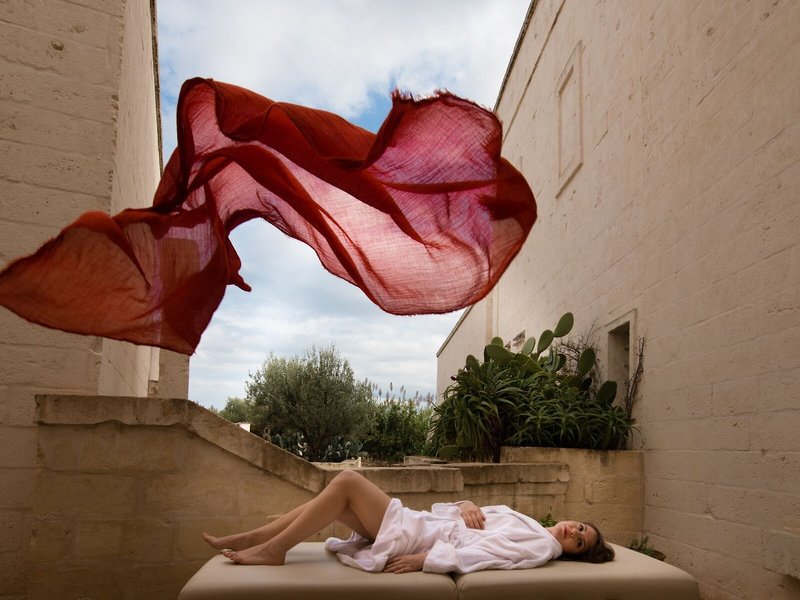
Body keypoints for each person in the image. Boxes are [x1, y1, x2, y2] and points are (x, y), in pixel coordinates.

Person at [202, 470, 614, 573]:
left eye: (579, 542)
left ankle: (273, 549)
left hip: (421, 537)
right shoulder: (530, 524)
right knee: (337, 501)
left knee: (346, 481)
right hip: (425, 526)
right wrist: (467, 501)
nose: (573, 532)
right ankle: (255, 538)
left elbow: (487, 554)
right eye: (580, 527)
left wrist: (427, 560)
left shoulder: (541, 546)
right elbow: (473, 519)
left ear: (571, 552)